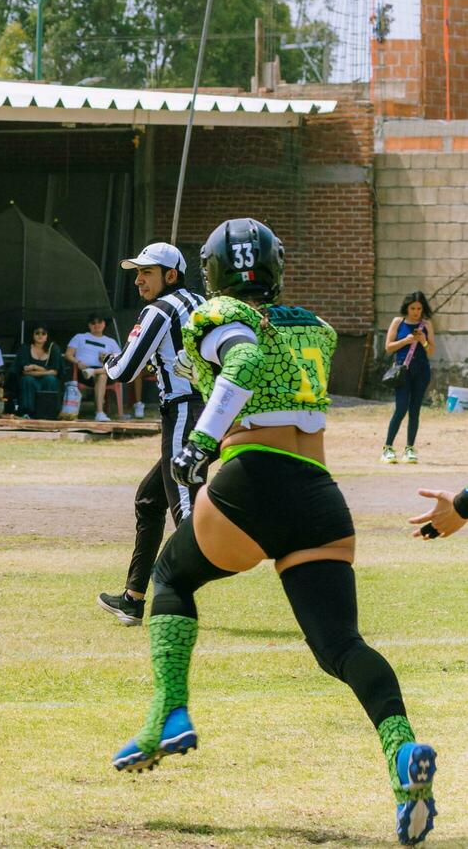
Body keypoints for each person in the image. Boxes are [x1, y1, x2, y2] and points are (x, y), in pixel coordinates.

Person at [111, 219, 438, 847]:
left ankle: (169, 713)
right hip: (317, 494)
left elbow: (244, 357)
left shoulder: (217, 317)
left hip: (250, 479)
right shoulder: (311, 325)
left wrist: (199, 444)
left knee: (171, 576)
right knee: (340, 646)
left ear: (210, 270)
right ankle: (402, 757)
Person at [95, 243, 208, 627]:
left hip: (182, 411)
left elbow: (125, 370)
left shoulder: (159, 309)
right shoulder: (200, 302)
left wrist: (109, 363)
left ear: (170, 275)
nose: (139, 279)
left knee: (185, 509)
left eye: (148, 272)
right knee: (148, 499)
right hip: (210, 411)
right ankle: (132, 598)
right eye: (137, 272)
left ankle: (178, 598)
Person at [382, 291, 435, 465]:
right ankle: (388, 448)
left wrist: (423, 341)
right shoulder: (398, 322)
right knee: (401, 408)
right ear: (407, 307)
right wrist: (405, 341)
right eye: (413, 308)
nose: (416, 312)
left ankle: (409, 448)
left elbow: (431, 351)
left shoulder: (426, 324)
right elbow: (389, 347)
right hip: (402, 370)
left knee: (415, 410)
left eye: (419, 308)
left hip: (421, 370)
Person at [65, 314, 122, 421]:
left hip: (105, 371)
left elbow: (119, 360)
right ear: (89, 325)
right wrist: (78, 362)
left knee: (103, 375)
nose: (96, 325)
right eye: (93, 323)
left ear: (104, 324)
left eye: (99, 322)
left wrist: (106, 358)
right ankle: (99, 413)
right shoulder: (80, 337)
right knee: (102, 375)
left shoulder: (111, 341)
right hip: (83, 371)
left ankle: (99, 413)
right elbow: (68, 354)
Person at [13, 325, 63, 417]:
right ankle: (27, 413)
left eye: (43, 333)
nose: (40, 335)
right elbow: (24, 372)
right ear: (32, 335)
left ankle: (49, 412)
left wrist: (35, 367)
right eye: (37, 333)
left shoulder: (54, 348)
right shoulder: (25, 348)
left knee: (51, 379)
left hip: (47, 380)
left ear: (47, 335)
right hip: (31, 380)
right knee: (27, 379)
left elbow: (55, 371)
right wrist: (46, 371)